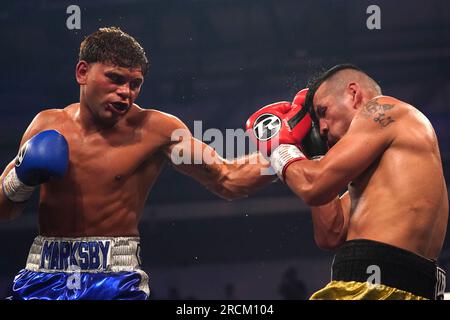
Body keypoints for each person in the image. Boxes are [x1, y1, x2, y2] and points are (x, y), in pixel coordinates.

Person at [0, 27, 276, 300]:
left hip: (113, 280)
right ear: (82, 72)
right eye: (115, 79)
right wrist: (21, 179)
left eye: (135, 84)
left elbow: (226, 179)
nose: (126, 92)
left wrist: (287, 154)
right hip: (43, 275)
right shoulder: (47, 125)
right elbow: (5, 210)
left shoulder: (156, 130)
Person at [246, 64, 448, 300]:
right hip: (409, 288)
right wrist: (314, 153)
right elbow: (330, 234)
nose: (321, 128)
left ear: (354, 94)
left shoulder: (382, 109)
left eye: (323, 111)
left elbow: (312, 186)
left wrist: (279, 147)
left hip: (372, 289)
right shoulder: (382, 173)